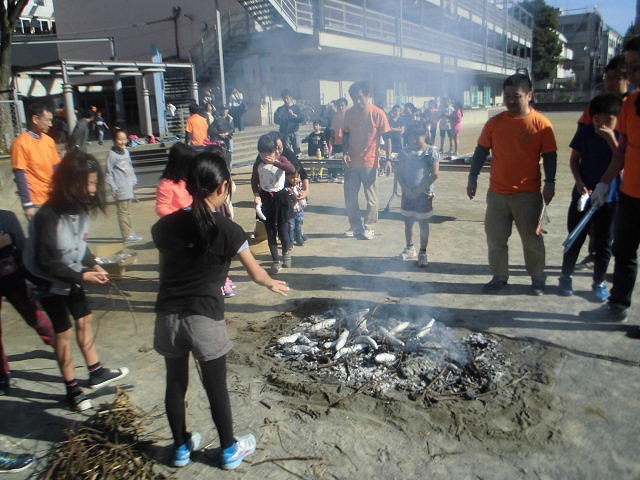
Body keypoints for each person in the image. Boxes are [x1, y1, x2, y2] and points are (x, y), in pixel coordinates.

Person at [152, 150, 288, 469]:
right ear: (223, 187)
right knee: (216, 388)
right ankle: (228, 449)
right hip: (204, 318)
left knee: (175, 383)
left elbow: (166, 270)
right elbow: (256, 273)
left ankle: (180, 448)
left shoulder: (163, 227)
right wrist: (271, 283)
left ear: (188, 185)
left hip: (168, 315)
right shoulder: (229, 230)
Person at [23, 150, 129, 411]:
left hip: (71, 272)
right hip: (45, 279)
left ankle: (96, 371)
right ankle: (72, 389)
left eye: (95, 183)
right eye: (88, 184)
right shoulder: (47, 216)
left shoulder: (80, 209)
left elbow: (80, 245)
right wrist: (82, 276)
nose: (93, 190)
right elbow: (45, 261)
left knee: (84, 318)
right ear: (70, 183)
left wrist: (93, 263)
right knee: (64, 331)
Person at [466, 73, 557, 295]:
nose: (510, 100)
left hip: (527, 195)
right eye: (507, 96)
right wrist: (472, 177)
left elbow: (550, 156)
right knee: (495, 239)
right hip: (497, 194)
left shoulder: (541, 124)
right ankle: (499, 277)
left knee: (531, 240)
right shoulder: (494, 123)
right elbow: (480, 151)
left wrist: (550, 182)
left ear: (529, 95)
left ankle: (537, 279)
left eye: (516, 96)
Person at [582, 35, 640, 322]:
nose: (632, 74)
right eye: (630, 67)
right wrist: (604, 183)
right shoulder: (630, 105)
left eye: (637, 67)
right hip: (631, 193)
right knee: (623, 249)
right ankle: (617, 305)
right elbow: (622, 152)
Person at [558, 93, 622, 301]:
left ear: (617, 119)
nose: (601, 124)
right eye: (597, 119)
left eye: (608, 120)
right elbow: (574, 160)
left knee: (604, 243)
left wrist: (611, 139)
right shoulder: (585, 132)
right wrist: (579, 182)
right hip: (583, 196)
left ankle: (598, 282)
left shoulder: (622, 137)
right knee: (574, 238)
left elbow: (622, 162)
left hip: (609, 199)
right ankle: (565, 277)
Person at [575, 55, 631, 271]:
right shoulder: (596, 106)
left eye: (616, 78)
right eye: (607, 78)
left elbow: (625, 152)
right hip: (596, 177)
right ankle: (595, 254)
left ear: (628, 79)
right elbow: (583, 136)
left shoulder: (632, 105)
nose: (610, 83)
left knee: (620, 228)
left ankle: (615, 266)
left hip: (625, 181)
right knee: (595, 223)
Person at [0, 208, 56, 396]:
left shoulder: (5, 217)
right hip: (12, 278)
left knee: (36, 318)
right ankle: (2, 374)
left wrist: (35, 279)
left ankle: (58, 346)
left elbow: (22, 249)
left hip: (12, 280)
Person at [342, 81, 391, 240]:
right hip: (352, 162)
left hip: (370, 161)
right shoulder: (349, 113)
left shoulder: (377, 113)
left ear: (368, 95)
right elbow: (346, 134)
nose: (357, 101)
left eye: (359, 97)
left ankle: (369, 227)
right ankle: (355, 225)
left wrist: (388, 159)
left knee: (371, 198)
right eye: (353, 98)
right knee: (350, 196)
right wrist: (344, 152)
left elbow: (387, 137)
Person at [395, 121, 440, 267]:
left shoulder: (431, 151)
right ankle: (410, 248)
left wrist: (419, 190)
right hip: (408, 193)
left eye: (417, 137)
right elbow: (399, 172)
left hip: (424, 194)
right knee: (408, 222)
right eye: (411, 137)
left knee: (423, 223)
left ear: (425, 135)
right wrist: (405, 188)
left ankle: (423, 252)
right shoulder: (405, 152)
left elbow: (435, 174)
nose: (414, 140)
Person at [251, 134, 296, 274]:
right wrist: (256, 194)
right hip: (266, 199)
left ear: (275, 151)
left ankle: (286, 252)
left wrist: (275, 162)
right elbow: (254, 179)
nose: (266, 157)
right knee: (270, 232)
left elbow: (291, 169)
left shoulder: (281, 159)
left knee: (283, 232)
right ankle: (276, 261)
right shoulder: (258, 163)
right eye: (263, 154)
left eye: (269, 154)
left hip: (281, 198)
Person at [11, 103, 62, 220]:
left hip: (53, 197)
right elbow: (20, 175)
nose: (50, 124)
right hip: (36, 203)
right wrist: (27, 204)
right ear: (35, 119)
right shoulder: (20, 143)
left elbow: (56, 168)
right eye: (48, 120)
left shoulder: (49, 141)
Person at [105, 129, 143, 243]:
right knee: (122, 212)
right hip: (119, 188)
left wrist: (134, 180)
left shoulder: (126, 152)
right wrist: (113, 186)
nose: (122, 141)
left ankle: (131, 233)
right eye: (119, 139)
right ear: (114, 140)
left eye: (124, 139)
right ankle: (126, 235)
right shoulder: (112, 155)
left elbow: (130, 167)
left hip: (128, 187)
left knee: (128, 212)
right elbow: (108, 173)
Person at [156, 143, 195, 217]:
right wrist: (178, 218)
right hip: (177, 220)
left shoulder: (186, 179)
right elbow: (161, 209)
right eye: (190, 164)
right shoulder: (166, 185)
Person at [273, 90, 304, 154]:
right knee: (287, 151)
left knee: (297, 150)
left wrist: (294, 114)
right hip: (284, 133)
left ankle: (298, 159)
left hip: (295, 132)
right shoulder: (280, 109)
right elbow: (276, 121)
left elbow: (302, 119)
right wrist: (280, 116)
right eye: (283, 98)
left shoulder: (297, 108)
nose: (285, 100)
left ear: (291, 97)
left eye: (287, 98)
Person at [285, 167, 307, 247]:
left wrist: (302, 194)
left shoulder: (300, 185)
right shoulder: (287, 188)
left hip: (299, 209)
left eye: (297, 177)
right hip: (290, 211)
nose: (295, 180)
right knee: (291, 227)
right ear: (287, 177)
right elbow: (290, 199)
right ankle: (290, 241)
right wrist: (295, 198)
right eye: (292, 178)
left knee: (299, 225)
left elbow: (304, 193)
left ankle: (299, 238)